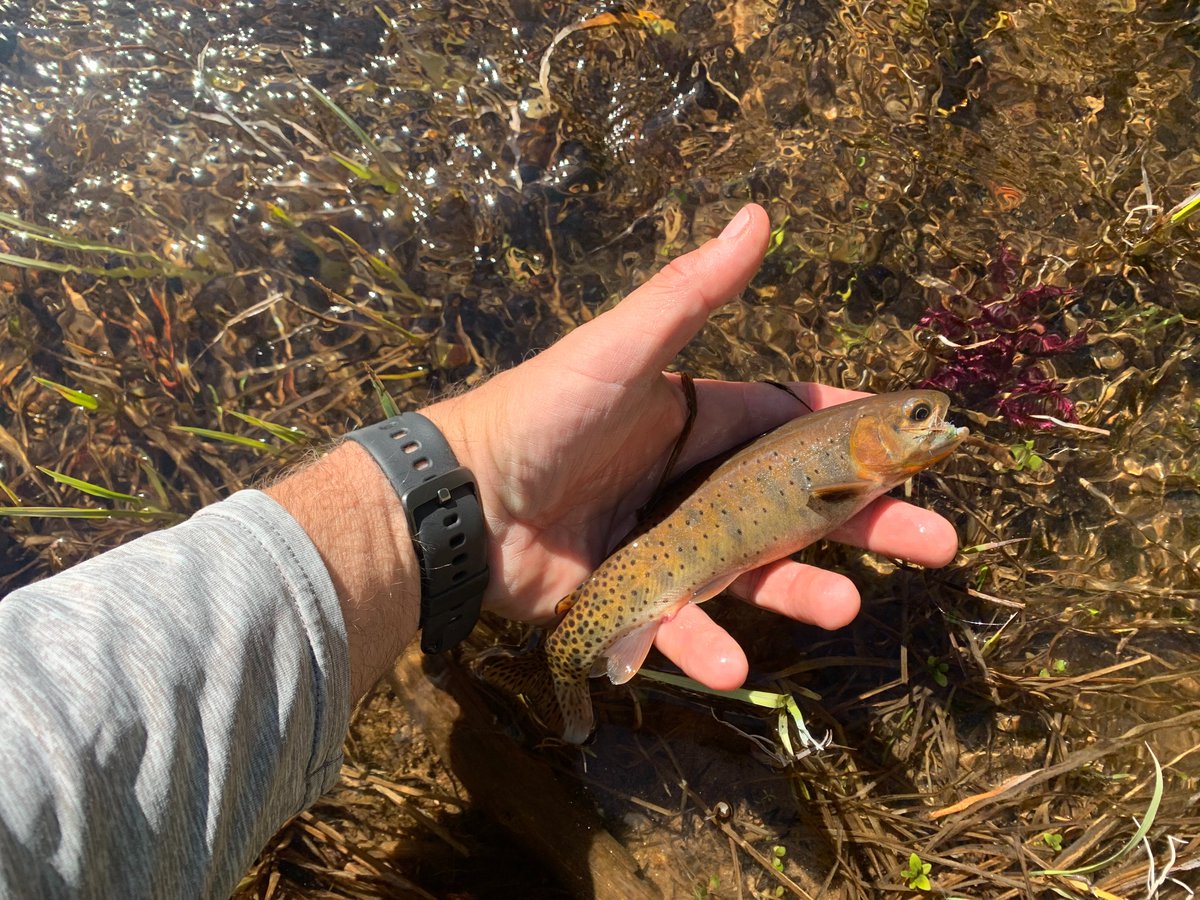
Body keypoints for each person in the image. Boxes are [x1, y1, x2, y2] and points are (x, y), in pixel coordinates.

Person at [0, 204, 957, 897]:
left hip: (641, 559)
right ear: (864, 449)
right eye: (917, 420)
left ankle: (557, 674)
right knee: (627, 642)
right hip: (640, 571)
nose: (929, 425)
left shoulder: (846, 460)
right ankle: (562, 672)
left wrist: (466, 492)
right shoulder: (840, 466)